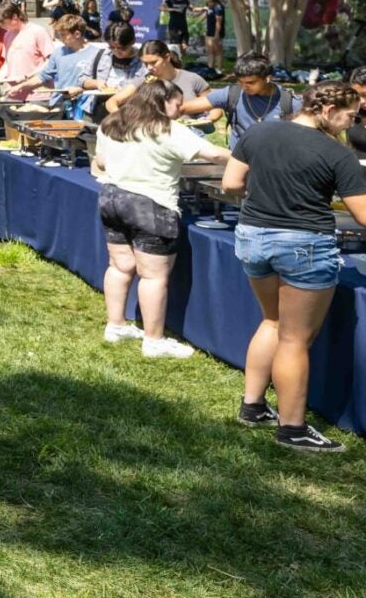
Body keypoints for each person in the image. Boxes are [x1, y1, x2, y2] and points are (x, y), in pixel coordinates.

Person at [219, 80, 366, 452]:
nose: (351, 124)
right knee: (295, 339)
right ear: (329, 111)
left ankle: (253, 406)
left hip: (252, 237)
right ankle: (293, 429)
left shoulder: (259, 131)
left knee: (272, 322)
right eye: (350, 117)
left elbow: (231, 183)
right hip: (304, 245)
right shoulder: (338, 154)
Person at [91, 79, 229, 358]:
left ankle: (115, 325)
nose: (180, 110)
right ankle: (153, 341)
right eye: (178, 105)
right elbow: (213, 153)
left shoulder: (112, 123)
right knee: (153, 277)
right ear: (162, 101)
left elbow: (101, 162)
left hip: (111, 198)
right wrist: (247, 159)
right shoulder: (169, 129)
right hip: (151, 205)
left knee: (119, 266)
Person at [183, 54, 297, 151]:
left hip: (273, 164)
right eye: (240, 82)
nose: (244, 87)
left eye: (250, 83)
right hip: (237, 163)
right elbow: (185, 107)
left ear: (267, 78)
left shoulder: (290, 102)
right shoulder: (233, 94)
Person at [202, 0, 227, 74]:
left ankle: (219, 70)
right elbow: (205, 15)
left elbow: (218, 21)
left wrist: (217, 35)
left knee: (218, 51)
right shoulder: (210, 6)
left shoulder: (218, 7)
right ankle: (210, 69)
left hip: (216, 32)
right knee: (210, 51)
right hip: (209, 31)